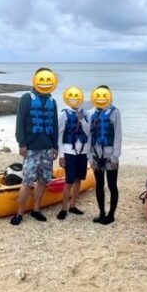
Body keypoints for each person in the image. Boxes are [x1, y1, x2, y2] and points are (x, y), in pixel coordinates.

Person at [12, 67, 59, 225]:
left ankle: (36, 209)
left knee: (44, 180)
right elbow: (20, 122)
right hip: (31, 148)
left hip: (47, 148)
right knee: (27, 181)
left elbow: (55, 124)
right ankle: (19, 213)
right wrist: (22, 143)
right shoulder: (26, 98)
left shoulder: (53, 102)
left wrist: (55, 146)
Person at [88, 85, 122, 224]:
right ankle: (101, 212)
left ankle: (111, 215)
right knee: (99, 185)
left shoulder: (115, 112)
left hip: (110, 157)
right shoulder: (92, 113)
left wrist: (115, 156)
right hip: (96, 157)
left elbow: (118, 135)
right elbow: (89, 136)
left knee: (112, 185)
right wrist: (90, 157)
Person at [57, 86, 90, 220]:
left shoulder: (85, 113)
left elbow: (88, 132)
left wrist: (81, 119)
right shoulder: (64, 114)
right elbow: (59, 135)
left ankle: (73, 206)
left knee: (78, 179)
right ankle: (64, 208)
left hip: (83, 152)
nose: (75, 99)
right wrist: (61, 155)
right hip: (69, 151)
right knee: (69, 180)